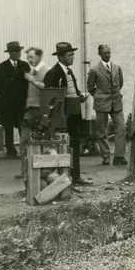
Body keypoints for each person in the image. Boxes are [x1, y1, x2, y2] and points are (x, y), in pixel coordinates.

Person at [44, 42, 91, 185]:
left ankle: (75, 176)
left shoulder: (69, 71)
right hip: (63, 117)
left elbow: (72, 90)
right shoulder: (53, 74)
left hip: (73, 112)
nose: (73, 58)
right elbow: (50, 98)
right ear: (61, 57)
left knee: (75, 143)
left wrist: (79, 95)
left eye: (73, 55)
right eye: (70, 55)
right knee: (62, 145)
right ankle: (62, 178)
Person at [88, 43, 127, 166]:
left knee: (121, 128)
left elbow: (120, 83)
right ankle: (105, 156)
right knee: (101, 130)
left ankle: (119, 156)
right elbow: (90, 87)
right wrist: (99, 96)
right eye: (104, 53)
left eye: (109, 52)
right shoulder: (94, 70)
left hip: (116, 102)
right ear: (99, 54)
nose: (107, 55)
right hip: (101, 103)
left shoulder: (117, 68)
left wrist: (114, 95)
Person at [0, 41, 31, 159]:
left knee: (23, 127)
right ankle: (10, 150)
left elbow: (29, 85)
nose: (17, 54)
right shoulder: (1, 67)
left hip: (21, 103)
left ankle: (23, 150)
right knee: (8, 127)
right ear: (9, 53)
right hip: (7, 104)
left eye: (18, 51)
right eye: (14, 51)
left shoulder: (25, 66)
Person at [19, 47, 51, 158]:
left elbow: (48, 88)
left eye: (31, 57)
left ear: (39, 56)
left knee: (43, 140)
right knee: (24, 138)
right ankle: (24, 170)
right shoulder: (30, 70)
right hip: (30, 110)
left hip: (41, 110)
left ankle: (44, 169)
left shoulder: (47, 70)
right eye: (27, 57)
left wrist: (33, 81)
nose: (29, 60)